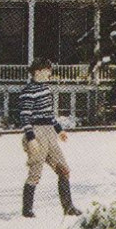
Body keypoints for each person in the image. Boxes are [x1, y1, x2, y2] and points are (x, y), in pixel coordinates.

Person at [18, 57, 81, 218]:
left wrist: (59, 130)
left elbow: (50, 115)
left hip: (50, 133)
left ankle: (68, 207)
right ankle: (27, 211)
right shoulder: (28, 91)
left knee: (64, 169)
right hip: (36, 133)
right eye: (47, 71)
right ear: (37, 72)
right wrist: (31, 138)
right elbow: (25, 116)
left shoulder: (46, 89)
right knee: (35, 173)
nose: (49, 74)